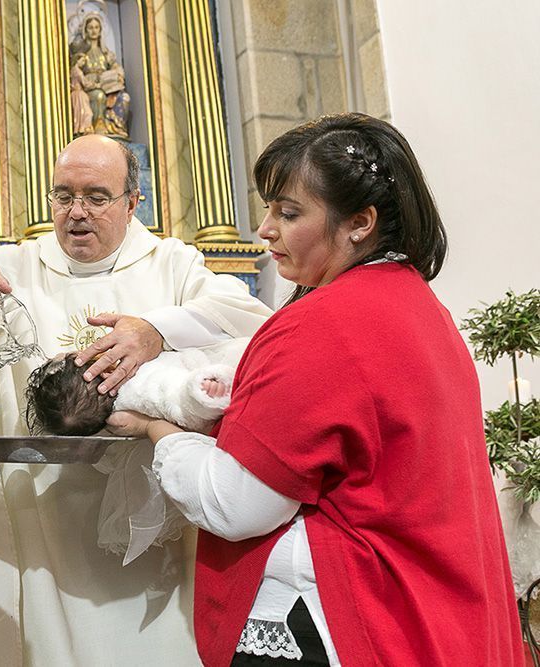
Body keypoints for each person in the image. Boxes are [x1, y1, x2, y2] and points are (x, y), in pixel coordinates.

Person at [110, 113, 524, 665]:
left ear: (360, 222)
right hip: (432, 609)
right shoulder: (421, 308)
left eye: (289, 212)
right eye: (268, 209)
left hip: (351, 613)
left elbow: (234, 504)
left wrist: (156, 428)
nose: (265, 229)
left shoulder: (325, 322)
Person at [0, 134, 272, 666]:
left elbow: (251, 321)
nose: (76, 213)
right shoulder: (13, 267)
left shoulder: (172, 264)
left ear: (132, 202)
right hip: (39, 514)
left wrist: (157, 330)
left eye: (97, 197)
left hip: (152, 526)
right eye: (63, 196)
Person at [25, 346, 241, 436]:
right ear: (105, 372)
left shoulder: (117, 413)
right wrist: (201, 392)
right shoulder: (138, 389)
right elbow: (174, 400)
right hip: (209, 386)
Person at [68, 12, 130, 138]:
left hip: (106, 84)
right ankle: (98, 126)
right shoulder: (81, 51)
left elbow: (114, 66)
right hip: (90, 86)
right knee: (99, 95)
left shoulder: (105, 52)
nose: (94, 31)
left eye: (96, 27)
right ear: (85, 30)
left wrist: (118, 74)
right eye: (90, 28)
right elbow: (75, 69)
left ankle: (115, 128)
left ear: (100, 30)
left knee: (124, 97)